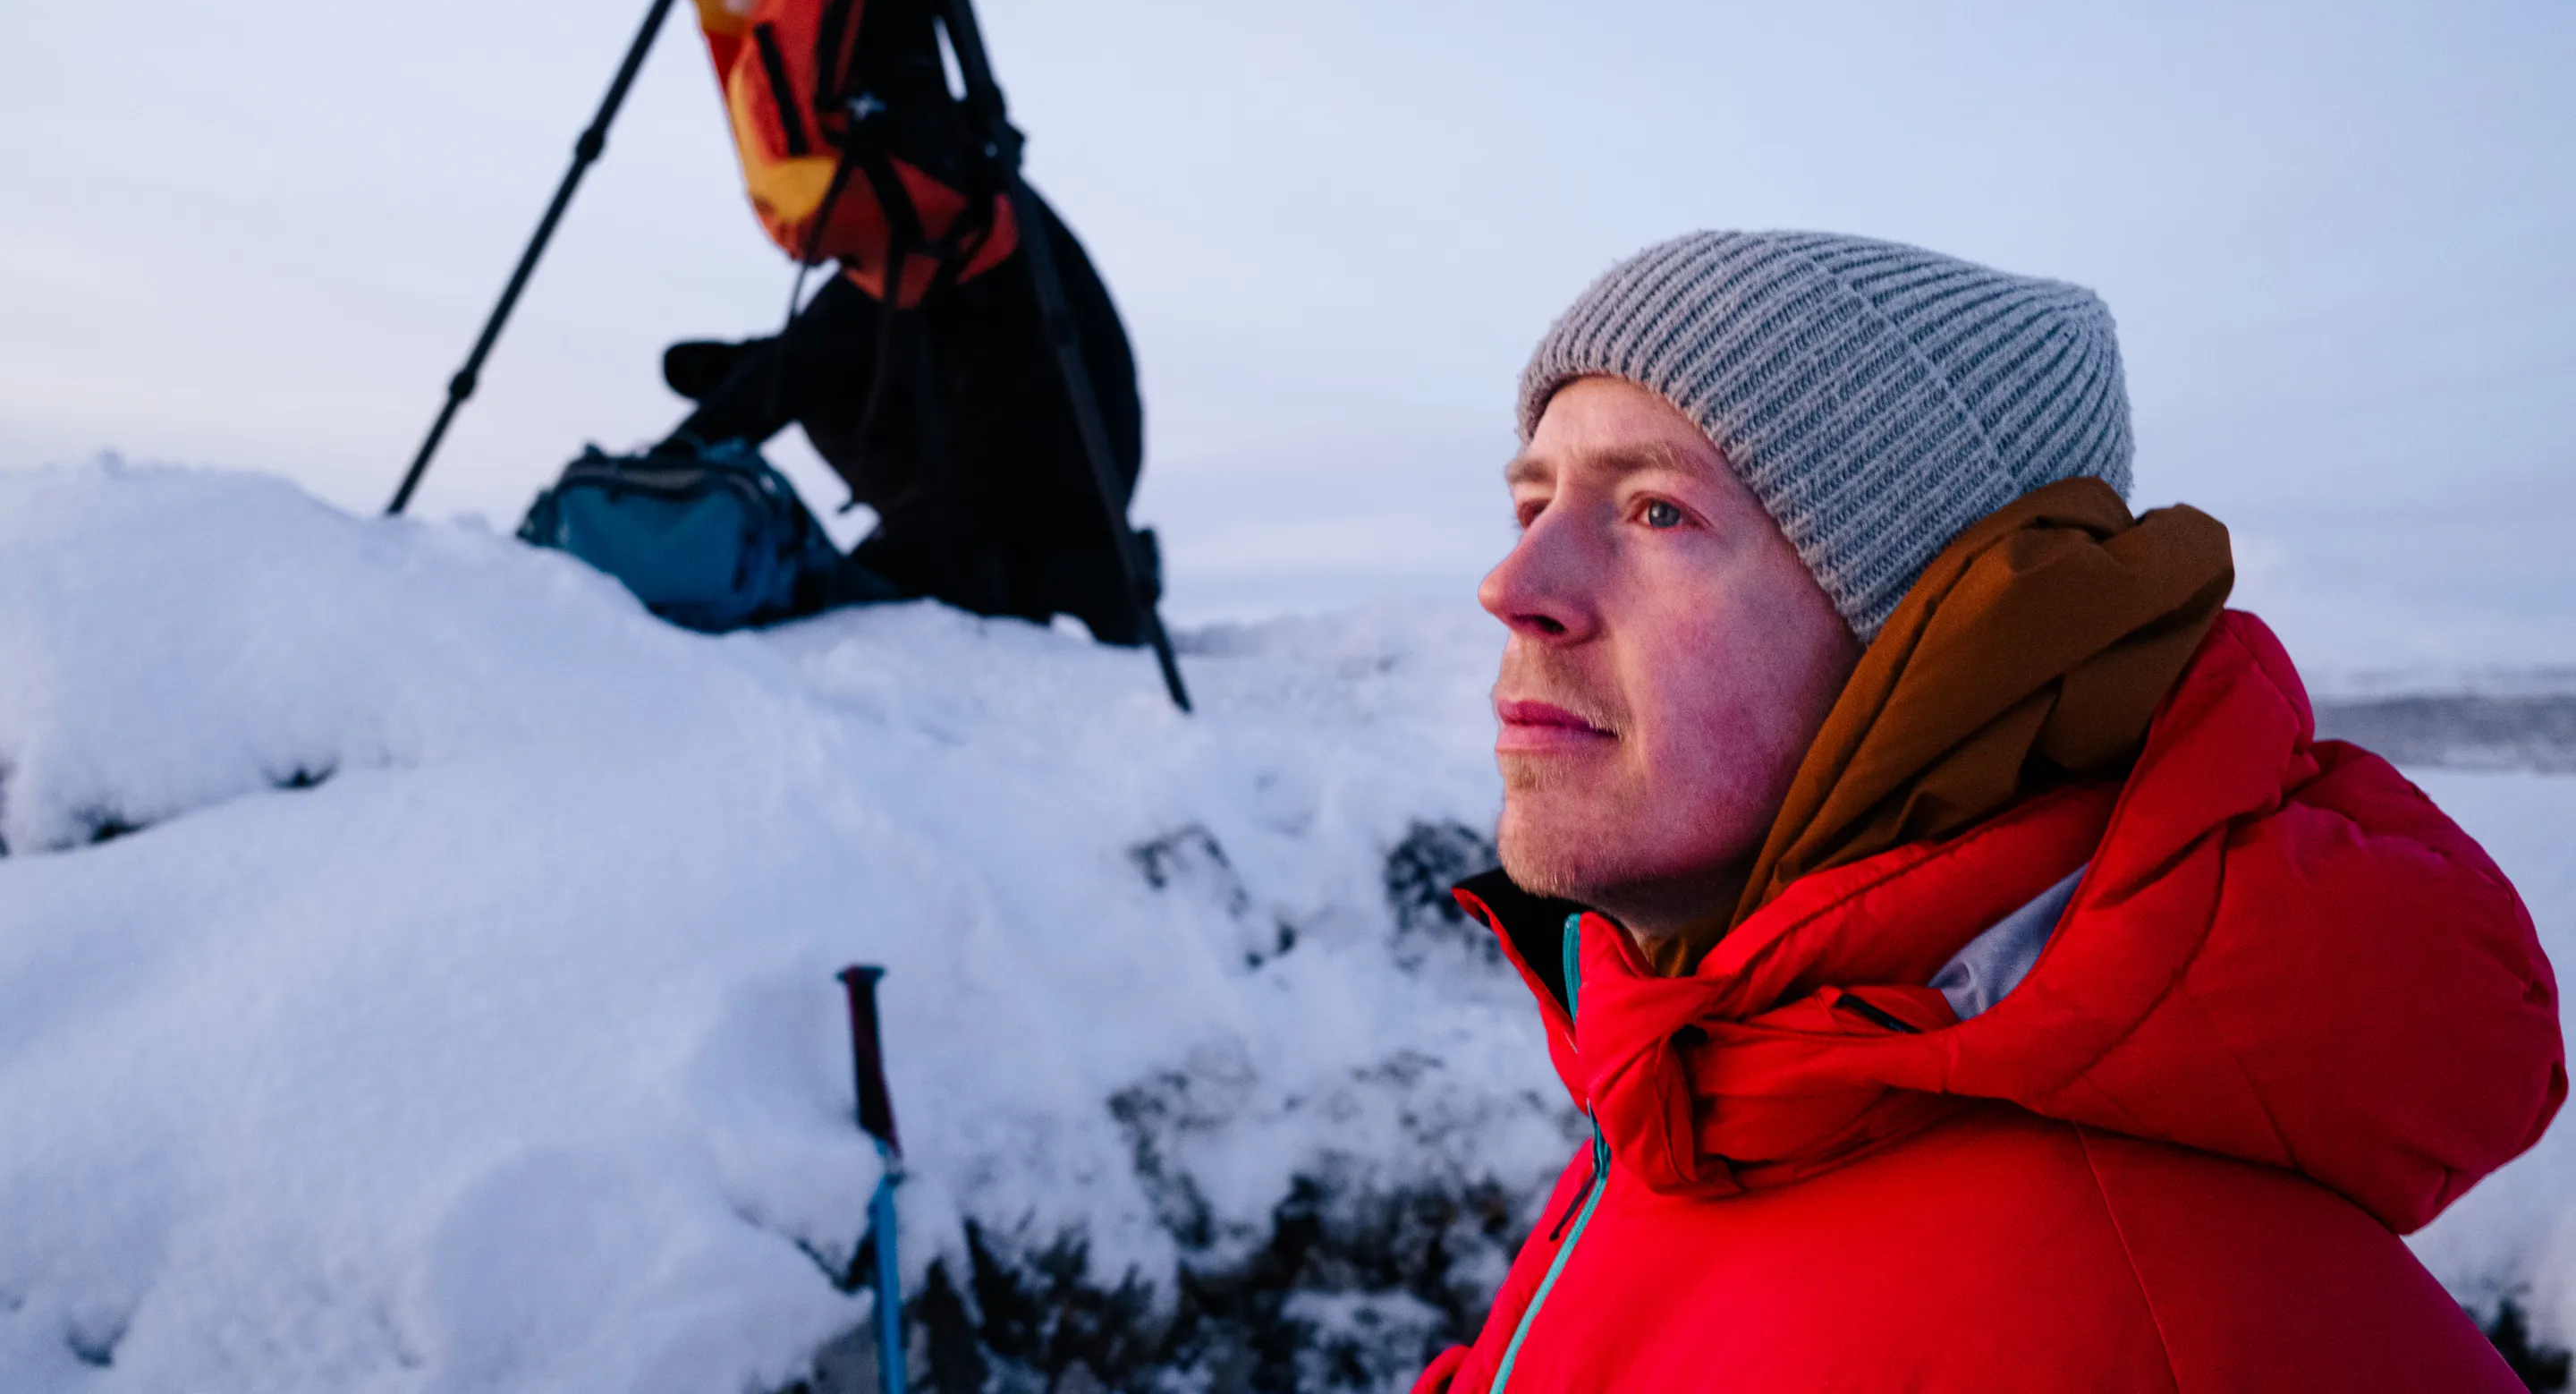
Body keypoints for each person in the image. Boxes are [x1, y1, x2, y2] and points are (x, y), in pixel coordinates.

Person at [1418, 230, 2564, 1392]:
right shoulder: (1716, 1077)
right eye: (1533, 504)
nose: (1511, 589)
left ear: (1938, 638)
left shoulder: (2176, 1320)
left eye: (1658, 511)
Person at [661, 188, 1157, 645]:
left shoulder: (927, 214)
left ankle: (1063, 571)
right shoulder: (954, 186)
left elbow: (814, 354)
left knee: (845, 610)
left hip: (1028, 493)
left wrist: (674, 461)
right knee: (822, 367)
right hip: (1067, 470)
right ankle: (1072, 566)